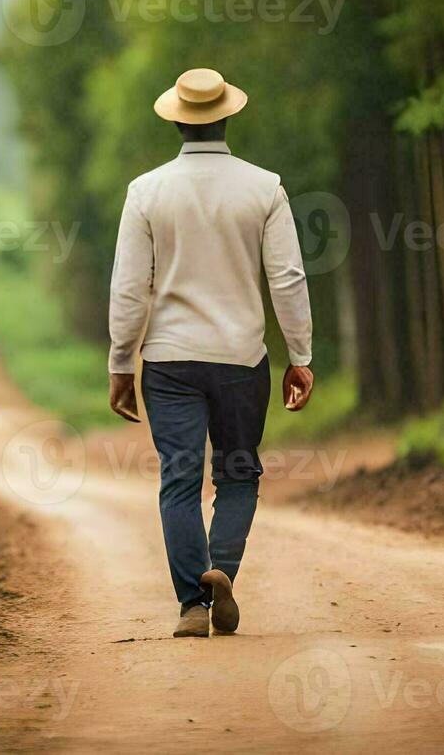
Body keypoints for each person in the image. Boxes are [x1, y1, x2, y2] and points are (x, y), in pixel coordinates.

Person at [107, 67, 314, 639]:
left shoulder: (146, 191)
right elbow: (288, 278)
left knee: (178, 478)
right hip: (241, 358)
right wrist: (300, 353)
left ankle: (193, 607)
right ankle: (221, 570)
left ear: (176, 119)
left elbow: (130, 287)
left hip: (169, 361)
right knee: (238, 473)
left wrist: (121, 365)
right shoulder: (264, 187)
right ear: (228, 116)